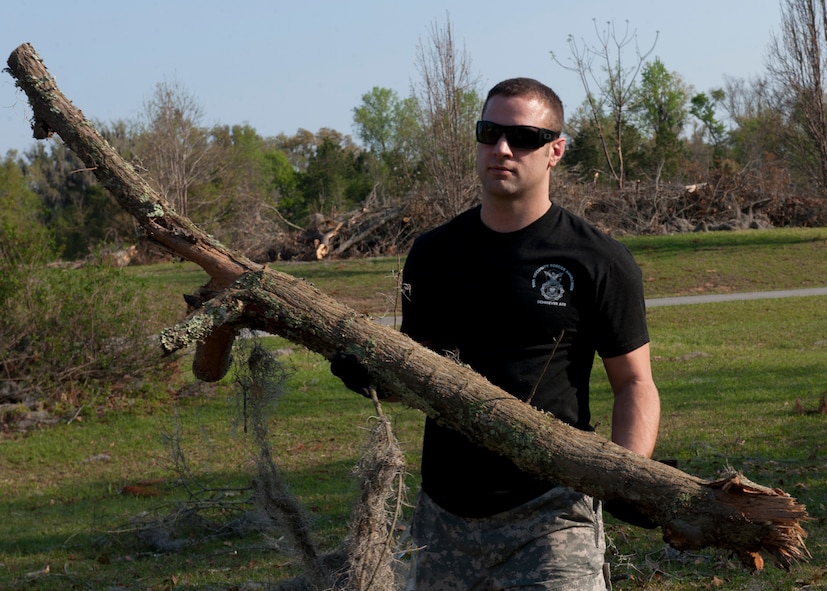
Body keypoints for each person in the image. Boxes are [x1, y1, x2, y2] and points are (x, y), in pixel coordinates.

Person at [333, 77, 660, 590]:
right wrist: (371, 374)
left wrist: (629, 480)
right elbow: (423, 375)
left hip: (552, 513)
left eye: (523, 137)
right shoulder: (434, 254)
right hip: (444, 518)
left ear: (556, 151)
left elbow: (634, 384)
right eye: (489, 132)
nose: (502, 149)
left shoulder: (598, 260)